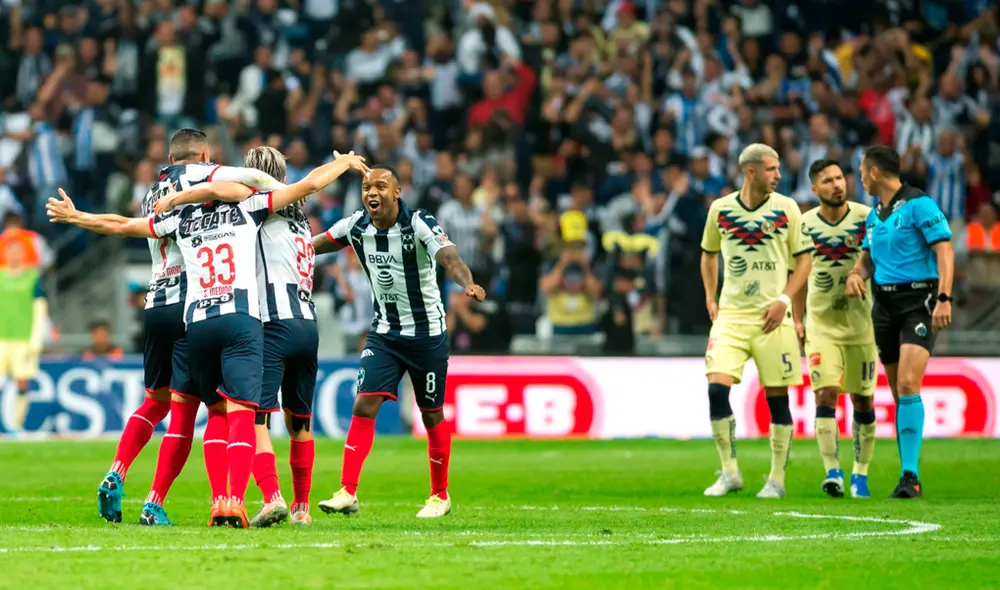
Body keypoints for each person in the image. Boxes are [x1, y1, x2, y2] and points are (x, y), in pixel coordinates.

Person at [48, 151, 369, 527]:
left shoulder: (180, 220)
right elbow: (309, 184)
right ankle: (233, 501)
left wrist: (77, 217)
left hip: (196, 325)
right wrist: (343, 163)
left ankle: (188, 499)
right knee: (242, 418)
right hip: (244, 322)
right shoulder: (253, 208)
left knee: (198, 411)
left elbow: (121, 225)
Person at [82, 128, 286, 524]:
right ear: (205, 155)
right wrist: (283, 193)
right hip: (195, 303)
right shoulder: (200, 176)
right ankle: (188, 501)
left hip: (156, 303)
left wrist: (79, 218)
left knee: (156, 401)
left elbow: (128, 227)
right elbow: (250, 185)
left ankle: (119, 470)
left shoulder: (151, 192)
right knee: (209, 410)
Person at [156, 146, 365, 528]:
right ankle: (302, 509)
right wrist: (341, 163)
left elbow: (222, 195)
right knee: (300, 422)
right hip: (307, 323)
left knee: (251, 419)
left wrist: (180, 196)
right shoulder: (300, 216)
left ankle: (272, 497)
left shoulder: (257, 206)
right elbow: (312, 185)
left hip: (270, 324)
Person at [312, 166, 486, 519]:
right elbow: (315, 245)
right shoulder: (355, 226)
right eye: (365, 187)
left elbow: (450, 258)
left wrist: (466, 283)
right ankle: (347, 491)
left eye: (380, 186)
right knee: (364, 405)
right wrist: (287, 251)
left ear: (397, 192)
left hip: (427, 334)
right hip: (385, 332)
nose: (371, 192)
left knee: (431, 413)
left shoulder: (418, 223)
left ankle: (440, 495)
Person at [700, 143, 813, 499]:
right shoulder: (720, 209)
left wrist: (785, 302)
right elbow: (708, 253)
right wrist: (710, 295)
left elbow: (804, 260)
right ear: (751, 172)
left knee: (777, 399)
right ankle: (730, 472)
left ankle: (776, 479)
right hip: (732, 316)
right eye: (771, 169)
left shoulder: (787, 208)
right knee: (716, 388)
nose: (778, 175)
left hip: (772, 317)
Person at [845, 145, 955, 499]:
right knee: (899, 392)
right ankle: (907, 471)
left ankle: (911, 476)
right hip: (884, 306)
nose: (860, 178)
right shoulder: (875, 216)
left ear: (875, 172)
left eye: (862, 171)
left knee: (908, 384)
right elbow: (866, 258)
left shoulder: (919, 204)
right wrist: (855, 273)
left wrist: (943, 297)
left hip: (918, 302)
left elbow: (945, 250)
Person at [793, 159, 877, 499]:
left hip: (861, 325)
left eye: (840, 177)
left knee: (863, 400)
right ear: (815, 189)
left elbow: (876, 257)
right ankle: (833, 472)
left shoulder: (865, 217)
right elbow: (798, 275)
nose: (836, 184)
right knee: (825, 395)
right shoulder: (803, 224)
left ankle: (860, 474)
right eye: (827, 181)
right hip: (821, 326)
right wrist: (797, 320)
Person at [0, 239, 48, 437]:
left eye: (17, 251)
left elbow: (40, 309)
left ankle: (16, 425)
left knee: (22, 382)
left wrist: (36, 338)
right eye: (10, 251)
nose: (14, 255)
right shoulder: (0, 275)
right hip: (2, 337)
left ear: (23, 254)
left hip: (23, 338)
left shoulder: (33, 277)